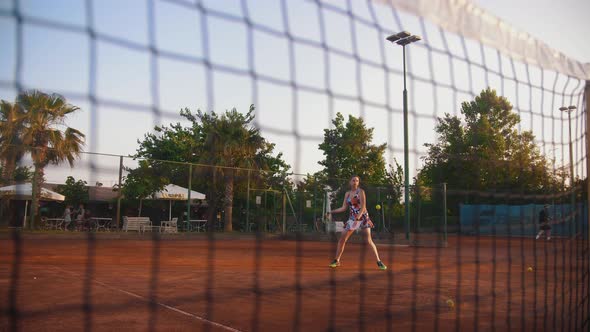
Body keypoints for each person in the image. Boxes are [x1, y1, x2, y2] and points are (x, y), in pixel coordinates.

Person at [327, 175, 387, 270]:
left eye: (357, 181)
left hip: (363, 217)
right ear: (350, 182)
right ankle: (336, 260)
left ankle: (379, 261)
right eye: (353, 180)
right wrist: (332, 211)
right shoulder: (347, 194)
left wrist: (357, 218)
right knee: (342, 238)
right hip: (352, 218)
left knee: (368, 240)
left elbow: (363, 207)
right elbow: (344, 208)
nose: (355, 182)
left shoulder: (361, 192)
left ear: (358, 183)